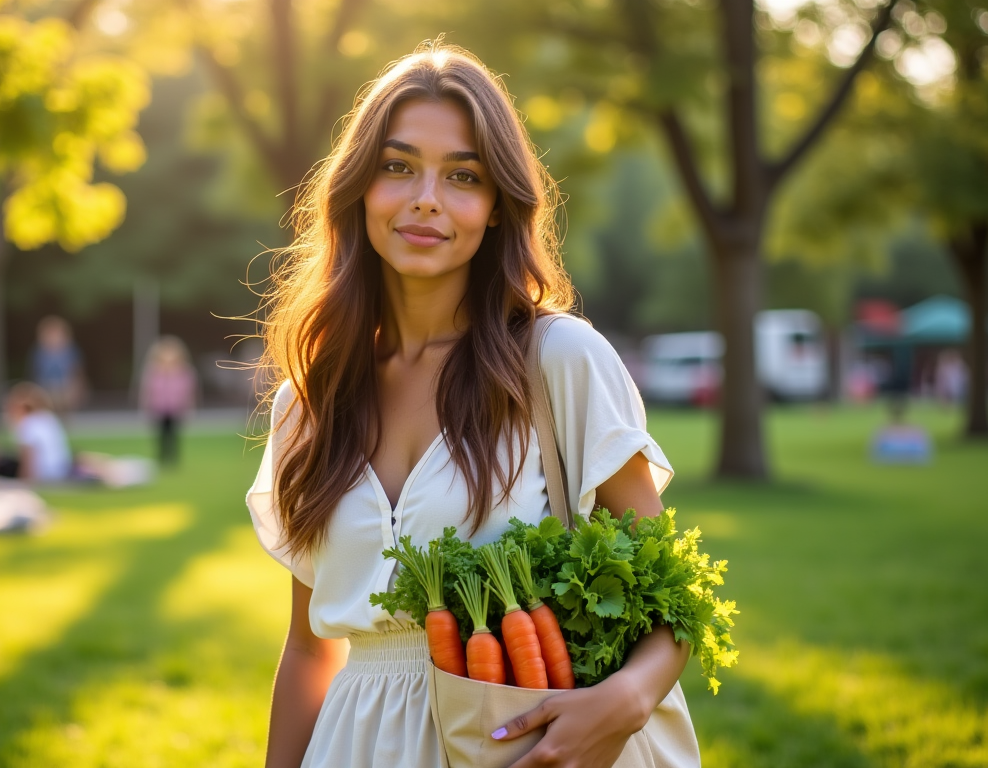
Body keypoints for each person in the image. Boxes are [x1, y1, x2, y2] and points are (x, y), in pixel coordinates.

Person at [247, 45, 692, 768]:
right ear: (359, 190)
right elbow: (306, 651)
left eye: (463, 176)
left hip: (522, 744)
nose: (426, 198)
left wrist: (627, 700)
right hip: (354, 746)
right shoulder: (311, 398)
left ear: (495, 208)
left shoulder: (558, 362)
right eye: (397, 167)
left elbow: (669, 598)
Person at [139, 336, 197, 466]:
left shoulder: (183, 371)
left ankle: (173, 458)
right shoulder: (154, 372)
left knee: (174, 434)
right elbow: (147, 390)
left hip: (176, 408)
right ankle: (161, 457)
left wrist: (189, 406)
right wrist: (146, 406)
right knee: (161, 435)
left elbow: (189, 391)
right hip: (159, 408)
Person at [0, 382, 72, 483]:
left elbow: (28, 460)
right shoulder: (48, 417)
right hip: (61, 470)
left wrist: (24, 483)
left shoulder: (28, 424)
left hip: (44, 475)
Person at [29, 316, 85, 418]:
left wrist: (77, 388)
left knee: (65, 393)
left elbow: (76, 373)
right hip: (45, 387)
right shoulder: (39, 353)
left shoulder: (70, 352)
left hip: (65, 386)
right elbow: (35, 375)